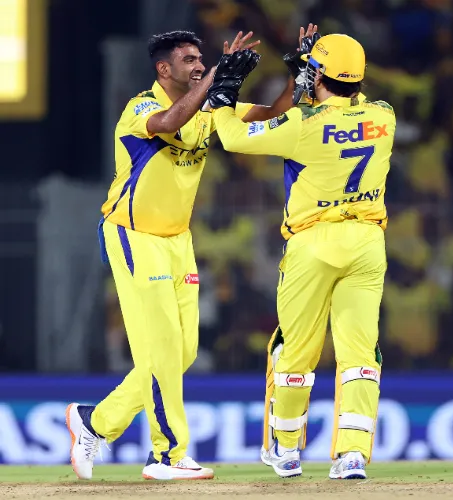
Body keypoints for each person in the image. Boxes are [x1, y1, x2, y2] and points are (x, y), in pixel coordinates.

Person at [65, 26, 316, 481]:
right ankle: (166, 455)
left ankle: (95, 422)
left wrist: (297, 76)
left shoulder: (206, 107)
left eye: (202, 59)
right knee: (161, 349)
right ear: (164, 69)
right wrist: (215, 80)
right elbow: (167, 124)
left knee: (182, 353)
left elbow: (273, 113)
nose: (199, 65)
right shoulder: (142, 106)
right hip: (133, 234)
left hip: (178, 240)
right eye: (189, 60)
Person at [205, 33, 394, 480]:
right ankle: (351, 455)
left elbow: (231, 138)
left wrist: (225, 93)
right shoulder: (384, 116)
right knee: (360, 354)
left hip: (313, 243)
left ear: (320, 76)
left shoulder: (302, 125)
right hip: (368, 242)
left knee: (295, 351)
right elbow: (344, 103)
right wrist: (310, 78)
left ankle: (286, 449)